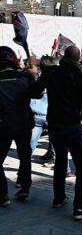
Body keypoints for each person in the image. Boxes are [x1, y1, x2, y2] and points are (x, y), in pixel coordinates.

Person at [32, 45, 82, 220]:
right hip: (72, 126)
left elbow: (34, 91)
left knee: (60, 160)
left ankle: (59, 197)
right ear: (79, 59)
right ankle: (80, 208)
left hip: (54, 125)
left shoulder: (51, 73)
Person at [0, 46, 35, 206]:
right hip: (23, 123)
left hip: (3, 125)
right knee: (25, 156)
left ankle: (2, 195)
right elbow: (37, 93)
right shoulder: (25, 77)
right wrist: (31, 73)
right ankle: (25, 188)